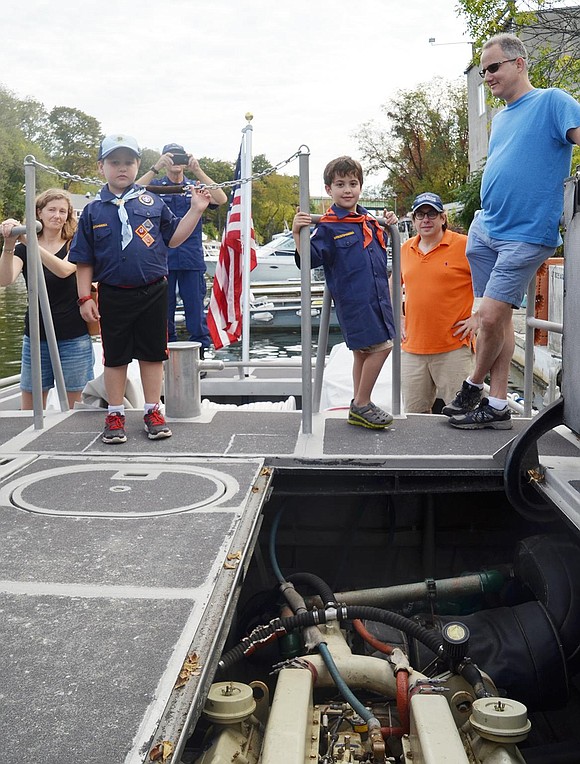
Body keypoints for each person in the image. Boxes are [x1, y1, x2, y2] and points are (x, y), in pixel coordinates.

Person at [446, 33, 580, 430]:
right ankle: (499, 403)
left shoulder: (552, 101)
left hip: (525, 235)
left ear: (519, 63)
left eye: (493, 67)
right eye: (483, 70)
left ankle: (473, 386)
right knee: (500, 319)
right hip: (486, 228)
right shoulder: (502, 117)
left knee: (488, 317)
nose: (487, 76)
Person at [68, 133, 211, 444]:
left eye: (129, 162)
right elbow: (84, 260)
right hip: (113, 292)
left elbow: (174, 237)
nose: (122, 168)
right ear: (101, 167)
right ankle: (115, 412)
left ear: (137, 165)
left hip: (152, 290)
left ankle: (152, 410)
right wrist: (83, 297)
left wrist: (197, 209)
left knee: (151, 354)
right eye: (114, 162)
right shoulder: (93, 211)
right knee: (115, 356)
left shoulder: (152, 201)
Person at [292, 156, 397, 429]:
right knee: (383, 348)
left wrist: (390, 222)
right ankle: (362, 403)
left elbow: (381, 249)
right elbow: (309, 260)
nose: (347, 190)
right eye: (340, 184)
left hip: (378, 298)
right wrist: (297, 235)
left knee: (363, 352)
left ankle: (359, 402)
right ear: (329, 190)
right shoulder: (328, 225)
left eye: (353, 183)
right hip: (355, 302)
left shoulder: (369, 220)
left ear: (360, 186)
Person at [0, 189, 94, 410]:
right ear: (39, 213)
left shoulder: (75, 243)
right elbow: (5, 279)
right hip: (35, 336)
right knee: (30, 410)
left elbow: (64, 270)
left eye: (63, 211)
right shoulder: (24, 248)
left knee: (75, 409)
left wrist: (30, 242)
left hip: (73, 337)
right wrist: (10, 244)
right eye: (51, 210)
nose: (57, 216)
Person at [136, 143, 227, 352]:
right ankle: (166, 358)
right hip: (162, 260)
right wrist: (155, 168)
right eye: (171, 157)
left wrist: (198, 169)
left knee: (195, 312)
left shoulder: (195, 186)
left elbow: (221, 198)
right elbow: (130, 192)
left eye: (180, 157)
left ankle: (201, 357)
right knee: (163, 314)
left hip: (191, 260)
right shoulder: (156, 186)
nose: (176, 162)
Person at [399, 192, 476, 414]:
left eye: (431, 213)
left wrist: (478, 317)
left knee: (464, 414)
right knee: (415, 418)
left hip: (453, 347)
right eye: (420, 214)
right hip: (413, 349)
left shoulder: (465, 246)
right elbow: (391, 287)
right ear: (413, 221)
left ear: (442, 218)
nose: (426, 219)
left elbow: (491, 282)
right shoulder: (405, 249)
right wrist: (398, 317)